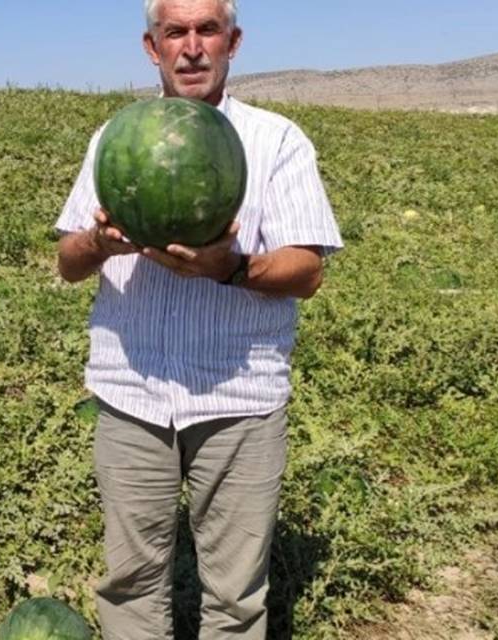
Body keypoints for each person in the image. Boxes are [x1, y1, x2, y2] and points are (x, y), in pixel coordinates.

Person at [53, 0, 344, 637]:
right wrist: (99, 243)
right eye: (174, 32)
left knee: (236, 598)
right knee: (130, 584)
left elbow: (308, 271)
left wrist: (231, 268)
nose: (191, 47)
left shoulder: (277, 140)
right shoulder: (115, 138)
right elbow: (69, 260)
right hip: (132, 392)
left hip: (239, 399)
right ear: (151, 47)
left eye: (207, 30)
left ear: (233, 42)